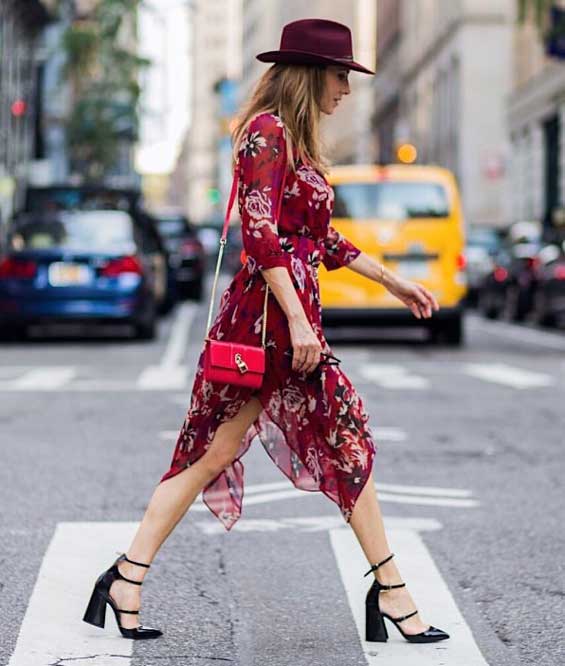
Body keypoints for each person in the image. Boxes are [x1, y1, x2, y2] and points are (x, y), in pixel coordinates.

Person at [82, 18, 449, 645]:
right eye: (341, 76)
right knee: (343, 438)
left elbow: (317, 238)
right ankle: (392, 589)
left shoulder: (294, 143)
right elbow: (260, 237)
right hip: (268, 322)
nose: (348, 90)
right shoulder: (263, 134)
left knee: (217, 450)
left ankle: (126, 575)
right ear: (310, 75)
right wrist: (302, 324)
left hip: (285, 315)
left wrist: (392, 280)